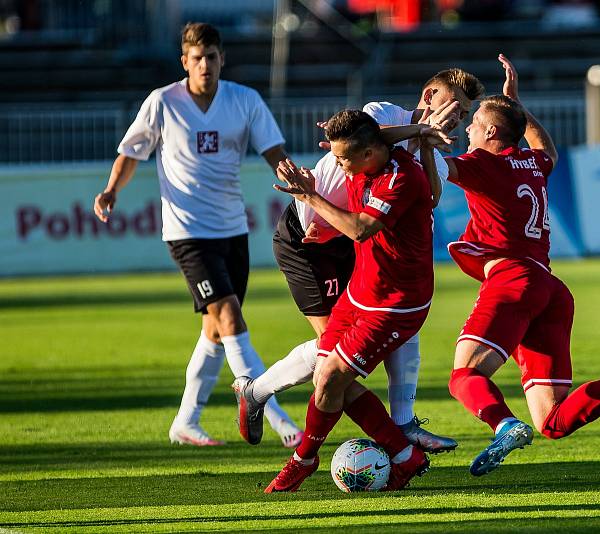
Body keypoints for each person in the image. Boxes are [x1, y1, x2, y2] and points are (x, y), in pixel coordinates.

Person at [440, 55, 600, 476]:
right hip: (549, 288)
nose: (468, 127)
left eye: (474, 121)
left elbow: (433, 167)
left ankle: (505, 425)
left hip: (511, 280)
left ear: (492, 132)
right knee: (552, 422)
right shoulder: (532, 164)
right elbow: (545, 148)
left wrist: (420, 131)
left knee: (464, 376)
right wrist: (518, 104)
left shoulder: (484, 164)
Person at [232, 69, 484, 451]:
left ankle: (403, 426)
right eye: (454, 106)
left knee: (399, 327)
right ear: (429, 94)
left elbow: (431, 196)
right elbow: (366, 139)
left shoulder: (433, 148)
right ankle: (256, 391)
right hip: (308, 241)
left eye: (464, 114)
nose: (456, 118)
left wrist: (429, 144)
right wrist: (420, 132)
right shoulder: (382, 113)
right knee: (329, 356)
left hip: (355, 239)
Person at [92, 22, 301, 447]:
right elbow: (131, 153)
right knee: (230, 318)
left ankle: (186, 421)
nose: (204, 64)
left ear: (222, 59)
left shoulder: (244, 100)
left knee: (215, 329)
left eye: (211, 57)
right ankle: (278, 420)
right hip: (186, 231)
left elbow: (274, 154)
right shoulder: (162, 102)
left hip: (232, 229)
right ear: (184, 62)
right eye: (196, 58)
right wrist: (112, 189)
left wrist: (303, 186)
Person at [262, 110, 450, 492]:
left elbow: (361, 229)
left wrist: (310, 195)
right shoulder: (368, 154)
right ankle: (403, 455)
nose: (339, 165)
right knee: (327, 375)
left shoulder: (400, 176)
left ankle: (304, 459)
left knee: (331, 376)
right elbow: (378, 136)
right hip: (361, 292)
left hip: (396, 303)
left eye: (344, 159)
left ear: (368, 153)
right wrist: (417, 129)